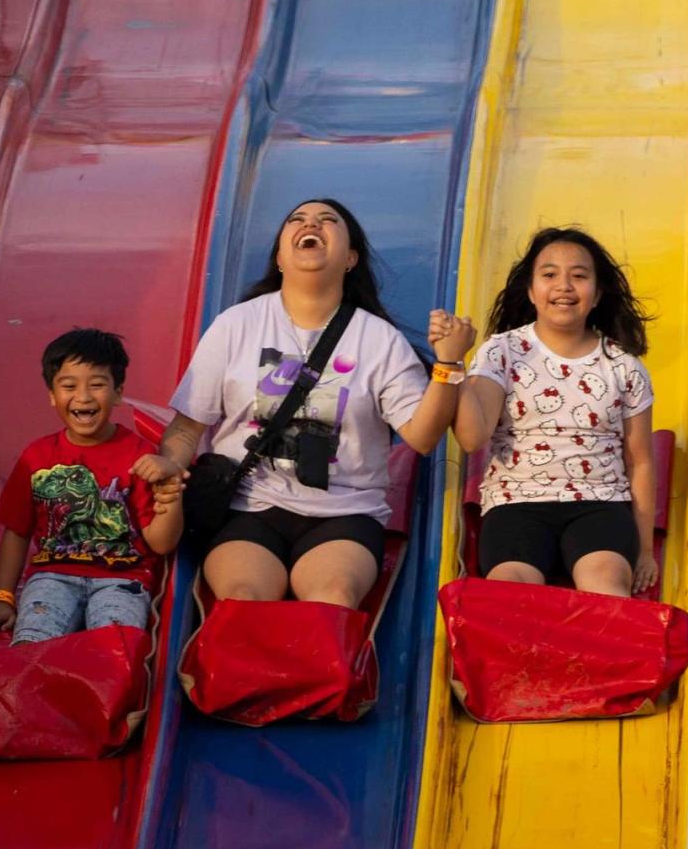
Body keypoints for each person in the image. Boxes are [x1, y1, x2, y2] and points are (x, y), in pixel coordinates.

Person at [133, 199, 475, 610]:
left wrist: (450, 364)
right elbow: (187, 429)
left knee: (332, 597)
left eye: (328, 221)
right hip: (248, 506)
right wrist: (171, 462)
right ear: (280, 255)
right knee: (244, 600)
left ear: (350, 258)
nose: (310, 224)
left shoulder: (378, 339)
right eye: (297, 219)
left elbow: (422, 436)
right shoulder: (236, 325)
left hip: (345, 512)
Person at [454, 227, 657, 598]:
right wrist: (452, 362)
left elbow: (640, 461)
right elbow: (472, 437)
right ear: (532, 291)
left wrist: (645, 550)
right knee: (511, 590)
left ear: (596, 294)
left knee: (606, 586)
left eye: (579, 276)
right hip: (517, 503)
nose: (564, 285)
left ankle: (599, 656)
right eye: (549, 275)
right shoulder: (502, 352)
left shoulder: (623, 367)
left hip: (599, 503)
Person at [0, 329, 183, 645]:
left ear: (118, 391)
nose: (83, 397)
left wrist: (172, 498)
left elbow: (160, 543)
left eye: (97, 385)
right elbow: (16, 530)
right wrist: (3, 597)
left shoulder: (139, 455)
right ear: (52, 395)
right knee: (32, 642)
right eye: (69, 386)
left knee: (116, 647)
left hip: (121, 579)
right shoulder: (37, 457)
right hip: (52, 576)